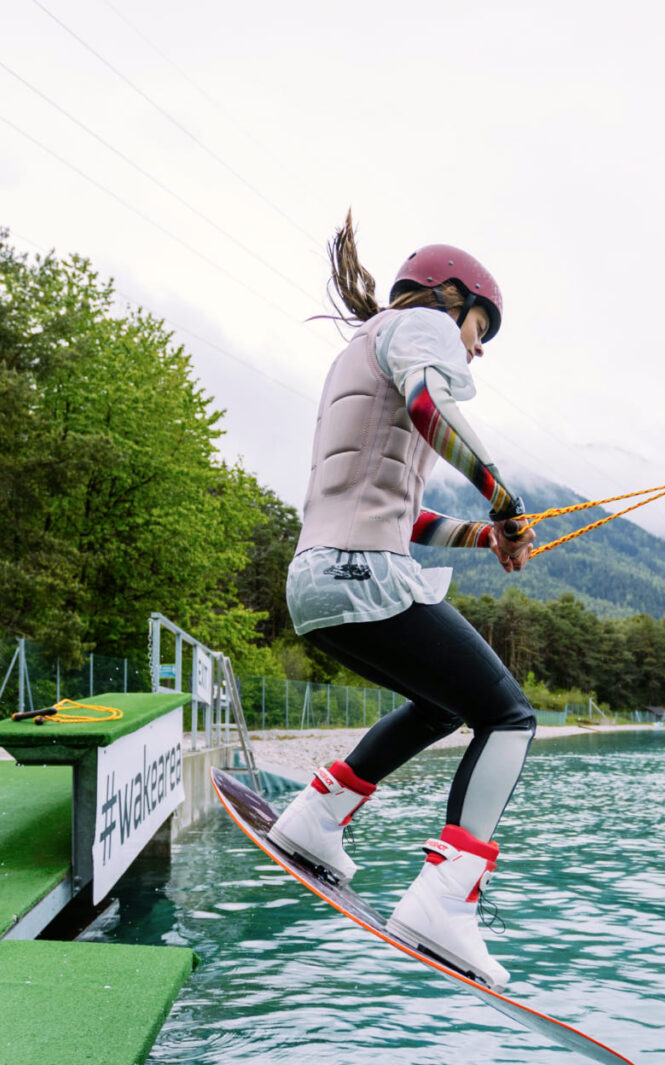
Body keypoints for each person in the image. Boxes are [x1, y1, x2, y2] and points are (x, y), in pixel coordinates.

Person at [267, 215, 536, 990]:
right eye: (479, 327)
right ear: (450, 301)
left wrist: (484, 536)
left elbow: (400, 512)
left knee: (441, 706)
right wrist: (504, 497)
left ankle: (316, 818)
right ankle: (446, 901)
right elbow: (429, 406)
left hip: (317, 580)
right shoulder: (424, 327)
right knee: (509, 715)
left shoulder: (360, 350)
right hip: (359, 572)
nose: (475, 347)